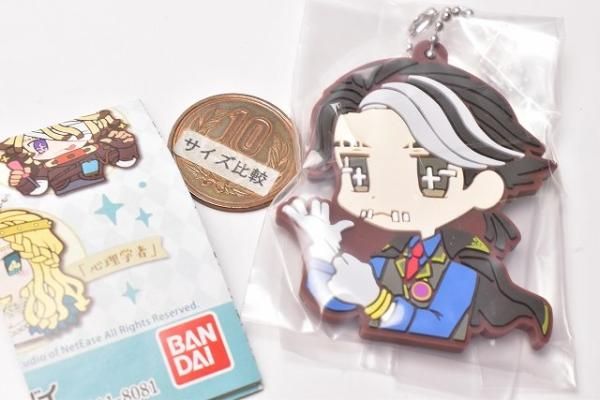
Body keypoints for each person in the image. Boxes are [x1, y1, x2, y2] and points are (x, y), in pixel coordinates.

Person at [282, 59, 554, 351]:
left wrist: (376, 301)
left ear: (484, 187)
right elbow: (337, 298)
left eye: (427, 171)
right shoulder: (394, 253)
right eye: (358, 169)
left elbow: (442, 324)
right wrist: (322, 250)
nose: (382, 196)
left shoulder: (468, 262)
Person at [0, 110, 139, 196]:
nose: (58, 146)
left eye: (69, 137)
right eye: (39, 145)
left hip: (111, 191)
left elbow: (125, 162)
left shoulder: (97, 150)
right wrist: (23, 181)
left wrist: (124, 146)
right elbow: (37, 188)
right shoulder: (43, 168)